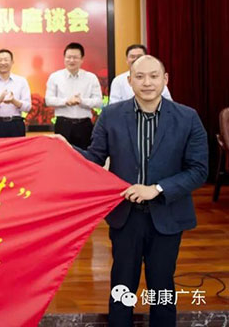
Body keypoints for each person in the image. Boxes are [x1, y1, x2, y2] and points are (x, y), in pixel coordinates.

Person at [76, 55, 208, 326]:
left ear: (165, 79)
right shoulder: (111, 116)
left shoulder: (187, 117)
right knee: (122, 285)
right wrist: (65, 150)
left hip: (168, 216)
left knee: (162, 286)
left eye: (153, 76)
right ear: (129, 81)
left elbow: (198, 170)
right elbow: (94, 158)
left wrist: (157, 189)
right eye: (139, 77)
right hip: (126, 217)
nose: (147, 82)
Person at [45, 42, 102, 149]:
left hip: (84, 125)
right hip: (63, 124)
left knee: (84, 156)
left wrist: (82, 101)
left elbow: (98, 102)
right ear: (64, 58)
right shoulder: (55, 77)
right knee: (62, 154)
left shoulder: (91, 78)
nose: (71, 60)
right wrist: (66, 101)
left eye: (75, 57)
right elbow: (48, 100)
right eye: (68, 57)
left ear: (82, 59)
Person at [0, 49, 32, 138]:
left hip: (16, 124)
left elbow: (27, 107)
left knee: (18, 147)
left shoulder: (21, 81)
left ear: (12, 62)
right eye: (0, 60)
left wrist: (14, 101)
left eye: (6, 60)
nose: (3, 62)